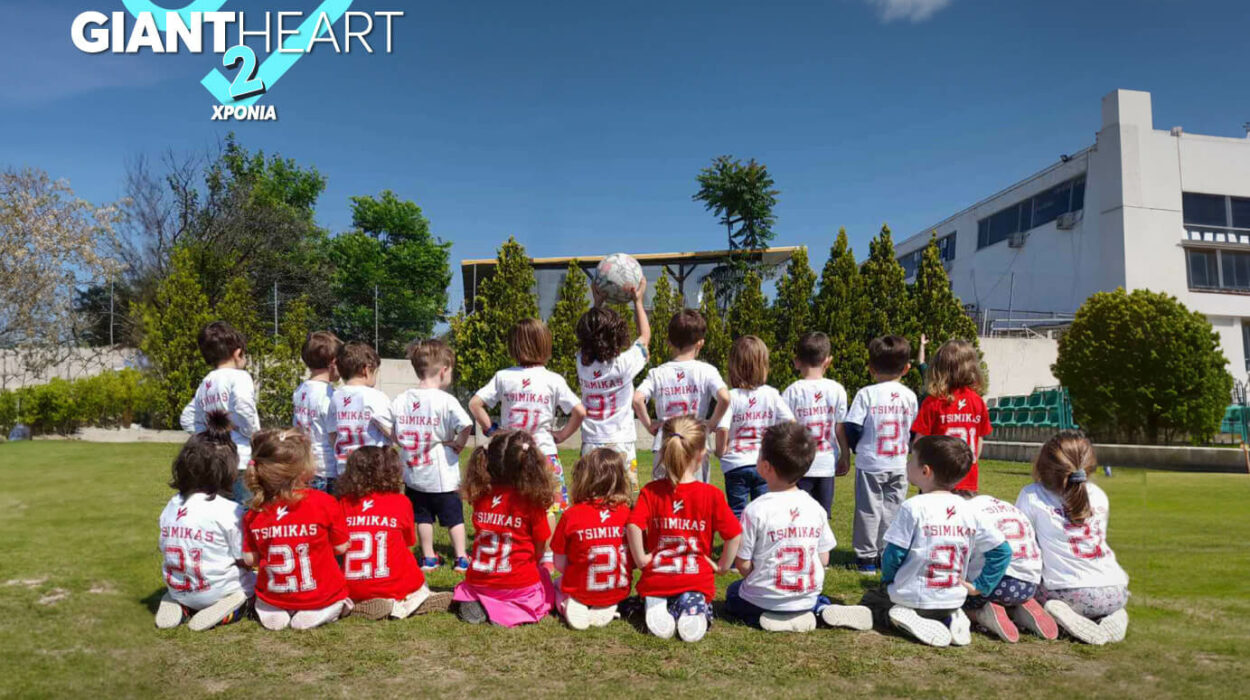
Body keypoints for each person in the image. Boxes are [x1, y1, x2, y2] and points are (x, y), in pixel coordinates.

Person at [860, 436, 1012, 647]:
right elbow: (1003, 552)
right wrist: (980, 586)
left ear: (925, 471)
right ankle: (951, 618)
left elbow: (893, 554)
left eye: (911, 459)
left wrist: (888, 580)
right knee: (934, 606)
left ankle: (905, 619)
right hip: (952, 599)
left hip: (912, 597)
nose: (907, 463)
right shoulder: (969, 509)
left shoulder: (913, 507)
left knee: (872, 601)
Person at [726, 423, 872, 634]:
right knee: (810, 599)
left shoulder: (755, 509)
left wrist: (757, 576)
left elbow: (743, 563)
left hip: (764, 597)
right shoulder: (815, 507)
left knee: (733, 593)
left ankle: (769, 615)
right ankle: (820, 609)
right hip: (805, 595)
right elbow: (824, 559)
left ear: (766, 466)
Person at [469, 318, 586, 572]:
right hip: (543, 452)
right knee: (548, 506)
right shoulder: (553, 379)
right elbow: (579, 411)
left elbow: (475, 404)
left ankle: (514, 546)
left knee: (512, 501)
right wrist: (562, 434)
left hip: (510, 454)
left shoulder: (503, 377)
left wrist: (492, 430)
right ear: (546, 344)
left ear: (514, 345)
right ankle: (547, 557)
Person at [626, 416, 741, 643]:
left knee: (656, 591)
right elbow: (734, 534)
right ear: (701, 453)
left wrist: (641, 559)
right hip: (695, 578)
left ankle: (657, 602)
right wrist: (722, 566)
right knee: (695, 595)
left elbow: (633, 525)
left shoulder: (651, 491)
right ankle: (693, 609)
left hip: (658, 577)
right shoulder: (711, 495)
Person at [1016, 432, 1130, 645]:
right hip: (1115, 589)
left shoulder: (1032, 495)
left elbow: (1023, 547)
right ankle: (1114, 613)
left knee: (1021, 595)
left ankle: (1055, 610)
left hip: (1068, 592)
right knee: (1105, 597)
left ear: (1043, 465)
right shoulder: (1098, 494)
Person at [242, 429, 352, 631]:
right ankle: (321, 609)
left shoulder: (255, 511)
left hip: (274, 593)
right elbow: (341, 547)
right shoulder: (324, 502)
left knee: (268, 598)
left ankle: (273, 609)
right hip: (320, 593)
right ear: (303, 470)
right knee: (334, 595)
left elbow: (250, 560)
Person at [156, 412, 254, 631]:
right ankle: (231, 606)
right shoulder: (230, 511)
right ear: (228, 471)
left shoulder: (172, 505)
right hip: (216, 589)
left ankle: (181, 604)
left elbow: (164, 546)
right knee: (252, 584)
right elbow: (243, 559)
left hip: (181, 585)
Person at [453, 430, 557, 628]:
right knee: (543, 577)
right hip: (517, 585)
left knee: (481, 587)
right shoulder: (531, 502)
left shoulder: (481, 496)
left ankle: (480, 602)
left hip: (479, 581)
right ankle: (508, 610)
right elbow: (541, 546)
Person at [338, 446, 451, 620]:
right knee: (415, 584)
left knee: (343, 595)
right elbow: (408, 541)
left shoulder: (343, 503)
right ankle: (414, 601)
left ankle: (360, 604)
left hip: (352, 584)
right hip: (394, 584)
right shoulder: (401, 502)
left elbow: (337, 545)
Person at [391, 339, 474, 573]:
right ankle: (461, 557)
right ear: (444, 370)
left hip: (414, 475)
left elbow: (387, 424)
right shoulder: (445, 400)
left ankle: (428, 557)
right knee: (454, 518)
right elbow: (466, 424)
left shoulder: (402, 399)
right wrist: (459, 443)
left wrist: (399, 439)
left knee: (423, 518)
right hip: (442, 476)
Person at [844, 335, 919, 574]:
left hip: (871, 461)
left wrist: (856, 447)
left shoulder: (867, 393)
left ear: (871, 368)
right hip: (898, 461)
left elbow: (853, 426)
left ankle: (866, 558)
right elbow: (914, 429)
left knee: (869, 510)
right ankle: (886, 553)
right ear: (906, 368)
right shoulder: (909, 396)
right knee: (892, 510)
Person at [633, 310, 731, 483]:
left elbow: (637, 399)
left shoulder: (657, 373)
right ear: (700, 343)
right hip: (696, 444)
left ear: (669, 342)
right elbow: (725, 398)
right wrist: (710, 425)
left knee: (663, 496)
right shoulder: (707, 371)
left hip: (666, 444)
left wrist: (649, 425)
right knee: (696, 496)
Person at [576, 278, 650, 491]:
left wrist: (597, 303)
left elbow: (591, 334)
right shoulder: (625, 364)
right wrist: (638, 301)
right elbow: (645, 337)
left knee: (590, 496)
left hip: (591, 442)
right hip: (621, 442)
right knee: (625, 496)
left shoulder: (581, 362)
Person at [550, 448, 634, 630]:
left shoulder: (571, 515)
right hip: (618, 588)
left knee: (555, 584)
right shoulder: (628, 515)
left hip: (581, 587)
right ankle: (608, 603)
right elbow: (633, 560)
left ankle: (569, 602)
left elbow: (559, 564)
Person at [715, 335, 796, 518]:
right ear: (763, 366)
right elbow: (791, 424)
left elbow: (722, 429)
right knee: (764, 511)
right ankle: (762, 537)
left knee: (737, 512)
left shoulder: (731, 396)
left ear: (734, 366)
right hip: (763, 462)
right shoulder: (771, 394)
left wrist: (720, 451)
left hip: (736, 463)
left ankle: (739, 538)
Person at [180, 320, 260, 504]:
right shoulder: (239, 376)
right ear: (238, 353)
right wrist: (254, 434)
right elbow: (243, 406)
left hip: (215, 461)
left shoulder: (206, 382)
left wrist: (208, 436)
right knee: (244, 513)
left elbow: (187, 417)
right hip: (240, 459)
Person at [959, 490, 1055, 642]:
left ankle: (981, 615)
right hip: (1028, 586)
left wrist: (977, 586)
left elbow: (1000, 554)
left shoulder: (966, 512)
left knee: (953, 601)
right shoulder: (1008, 507)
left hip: (995, 585)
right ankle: (1017, 610)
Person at [782, 332, 850, 517]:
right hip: (826, 462)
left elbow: (787, 431)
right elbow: (839, 427)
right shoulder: (837, 390)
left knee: (799, 516)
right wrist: (845, 454)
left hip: (800, 463)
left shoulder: (792, 392)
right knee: (822, 517)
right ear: (828, 361)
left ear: (797, 362)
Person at [911, 339, 991, 492]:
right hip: (967, 479)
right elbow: (979, 442)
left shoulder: (933, 402)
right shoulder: (978, 402)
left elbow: (919, 443)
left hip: (936, 481)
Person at [327, 341, 395, 477]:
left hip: (345, 469)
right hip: (373, 469)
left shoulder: (335, 397)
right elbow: (391, 432)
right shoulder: (375, 396)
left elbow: (332, 435)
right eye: (375, 372)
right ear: (366, 369)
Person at [292, 331, 344, 494]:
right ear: (333, 362)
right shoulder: (329, 395)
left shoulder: (300, 390)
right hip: (326, 469)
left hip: (304, 464)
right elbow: (334, 435)